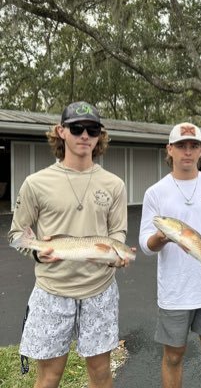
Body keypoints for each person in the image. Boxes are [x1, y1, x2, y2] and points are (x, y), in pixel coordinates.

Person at [8, 101, 132, 388]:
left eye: (92, 129)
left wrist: (117, 254)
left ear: (100, 135)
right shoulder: (36, 183)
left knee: (101, 373)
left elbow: (118, 232)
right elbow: (16, 235)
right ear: (61, 132)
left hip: (99, 292)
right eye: (77, 128)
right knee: (50, 376)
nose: (85, 135)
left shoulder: (114, 184)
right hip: (52, 291)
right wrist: (39, 255)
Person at [139, 122, 201, 388]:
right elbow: (145, 246)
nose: (187, 151)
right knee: (173, 356)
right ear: (169, 149)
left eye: (193, 146)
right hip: (174, 292)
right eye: (181, 146)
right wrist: (159, 238)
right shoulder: (155, 193)